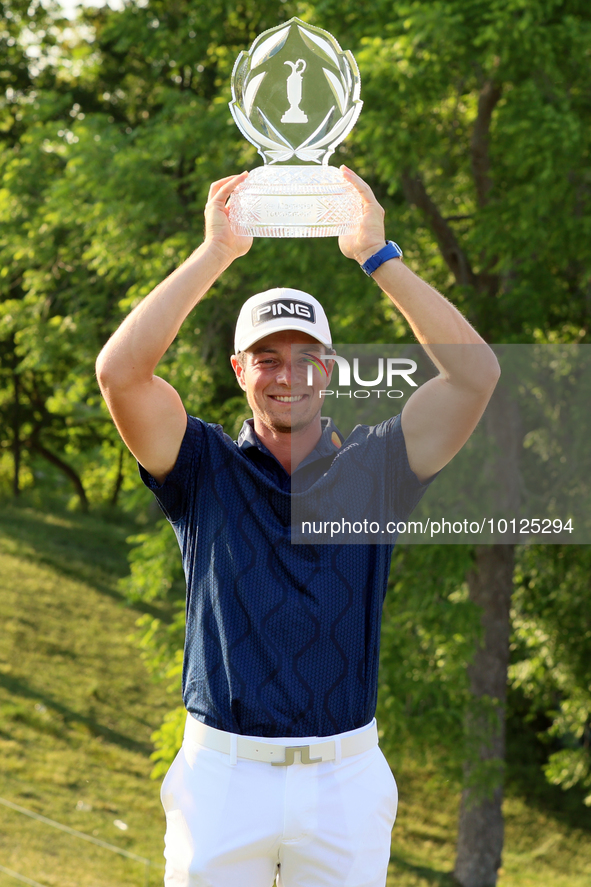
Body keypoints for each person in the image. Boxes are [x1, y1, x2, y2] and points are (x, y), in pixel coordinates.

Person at [96, 166, 500, 887]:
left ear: (331, 367)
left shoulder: (379, 468)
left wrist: (378, 258)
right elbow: (121, 373)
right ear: (239, 369)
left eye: (306, 356)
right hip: (221, 779)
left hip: (342, 782)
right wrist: (216, 251)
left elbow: (474, 378)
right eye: (268, 358)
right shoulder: (202, 467)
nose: (289, 374)